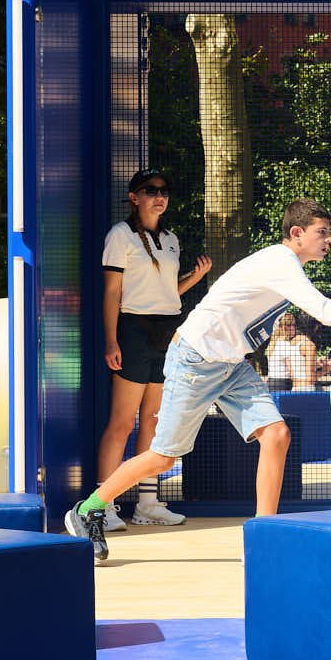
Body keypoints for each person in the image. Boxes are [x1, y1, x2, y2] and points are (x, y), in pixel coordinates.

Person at [65, 198, 331, 562]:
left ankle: (263, 534)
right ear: (297, 233)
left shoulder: (287, 266)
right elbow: (324, 312)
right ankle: (88, 509)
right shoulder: (281, 262)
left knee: (276, 434)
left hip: (231, 364)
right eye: (321, 232)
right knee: (163, 458)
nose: (328, 239)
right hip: (195, 359)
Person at [95, 169, 211, 530]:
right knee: (121, 422)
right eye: (150, 190)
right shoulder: (120, 234)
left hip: (167, 331)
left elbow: (166, 294)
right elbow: (113, 292)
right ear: (134, 197)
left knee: (154, 421)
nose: (159, 197)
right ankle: (102, 506)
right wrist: (112, 340)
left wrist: (194, 279)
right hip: (133, 331)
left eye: (164, 191)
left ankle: (147, 503)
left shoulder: (171, 238)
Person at [265, 312, 319, 391]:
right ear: (284, 327)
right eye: (290, 325)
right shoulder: (285, 344)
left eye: (294, 325)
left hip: (270, 382)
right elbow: (292, 370)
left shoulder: (272, 344)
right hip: (283, 383)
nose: (294, 328)